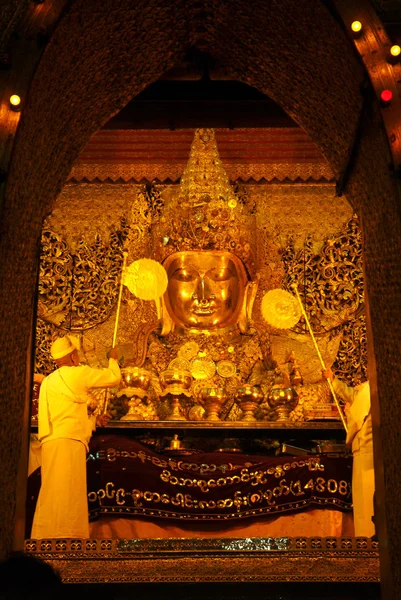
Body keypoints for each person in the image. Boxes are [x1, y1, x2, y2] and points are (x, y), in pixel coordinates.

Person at [31, 335, 121, 539]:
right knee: (70, 488)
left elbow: (70, 410)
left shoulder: (49, 382)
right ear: (72, 357)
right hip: (70, 440)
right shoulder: (77, 373)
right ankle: (68, 537)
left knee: (52, 488)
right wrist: (113, 359)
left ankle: (44, 536)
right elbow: (113, 378)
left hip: (52, 441)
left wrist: (93, 421)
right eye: (77, 353)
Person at [322, 367, 374, 537]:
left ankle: (369, 544)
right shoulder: (367, 389)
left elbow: (358, 417)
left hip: (367, 452)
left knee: (367, 504)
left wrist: (349, 414)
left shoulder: (370, 388)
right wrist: (333, 380)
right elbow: (353, 395)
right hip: (365, 452)